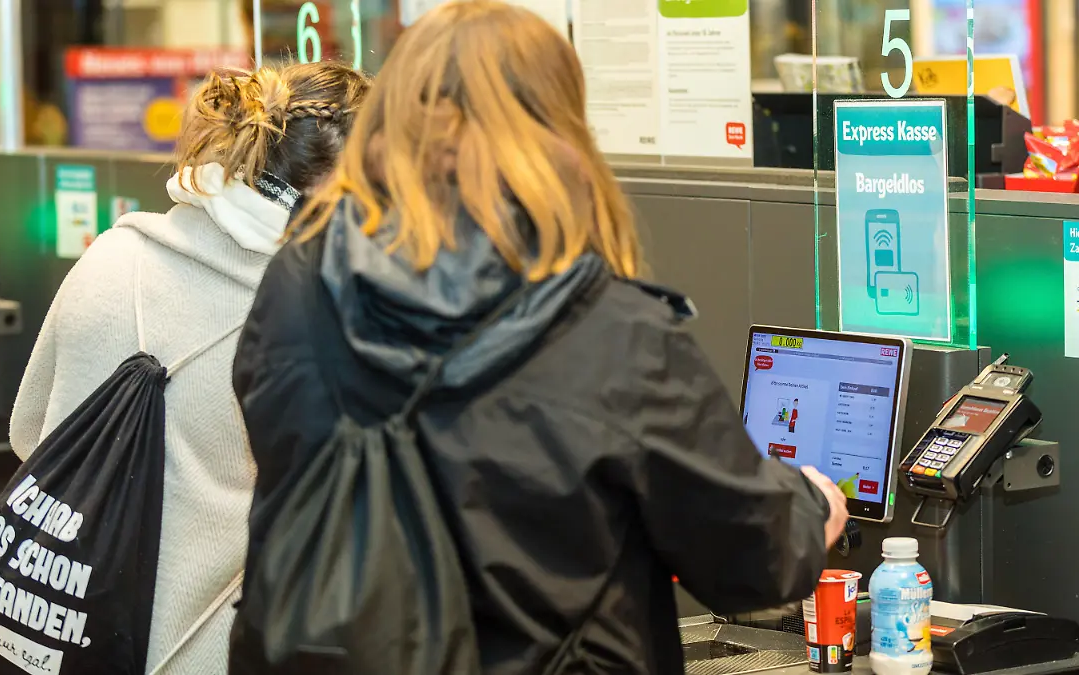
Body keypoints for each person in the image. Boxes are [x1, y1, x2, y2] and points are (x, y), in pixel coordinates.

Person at [232, 2, 847, 673]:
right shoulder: (610, 333)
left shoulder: (298, 285)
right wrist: (811, 505)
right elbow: (748, 560)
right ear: (558, 132)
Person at [8, 61, 370, 674]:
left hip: (60, 641)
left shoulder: (111, 253)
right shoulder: (304, 322)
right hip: (197, 655)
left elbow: (29, 437)